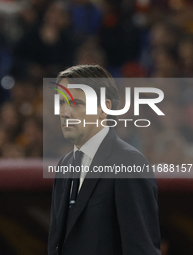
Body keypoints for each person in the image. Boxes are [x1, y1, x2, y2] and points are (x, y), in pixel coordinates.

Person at [48, 65, 161, 255]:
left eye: (76, 103)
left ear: (104, 109)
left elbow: (141, 249)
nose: (64, 112)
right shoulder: (65, 165)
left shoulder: (129, 163)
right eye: (61, 103)